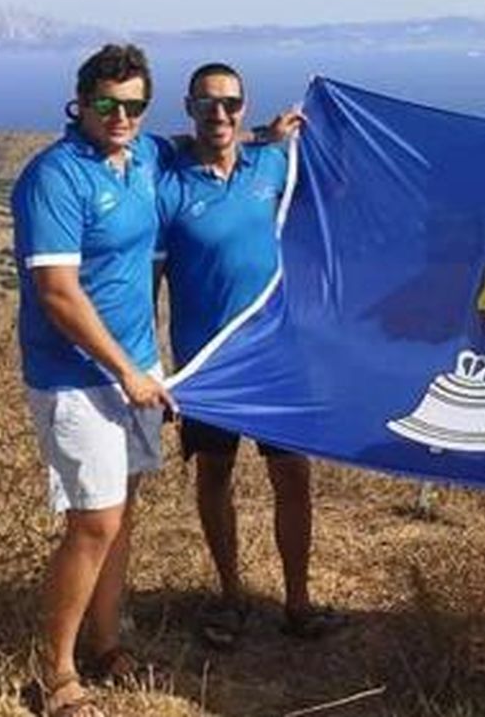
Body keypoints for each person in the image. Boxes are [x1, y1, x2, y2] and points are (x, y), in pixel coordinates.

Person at [10, 44, 175, 717]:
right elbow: (56, 291)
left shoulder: (144, 158)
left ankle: (107, 641)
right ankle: (54, 674)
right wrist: (127, 371)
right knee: (93, 521)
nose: (122, 116)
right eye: (108, 103)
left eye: (135, 104)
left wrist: (270, 138)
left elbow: (205, 141)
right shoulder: (55, 175)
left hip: (134, 369)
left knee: (121, 513)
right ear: (80, 102)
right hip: (76, 379)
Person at [156, 62, 340, 649]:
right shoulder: (170, 185)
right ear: (189, 107)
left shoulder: (269, 162)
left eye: (230, 103)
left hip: (277, 355)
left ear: (244, 106)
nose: (219, 114)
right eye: (207, 104)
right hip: (209, 362)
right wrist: (157, 369)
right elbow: (152, 279)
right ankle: (231, 597)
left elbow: (325, 174)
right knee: (215, 475)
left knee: (293, 476)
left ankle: (298, 602)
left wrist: (273, 134)